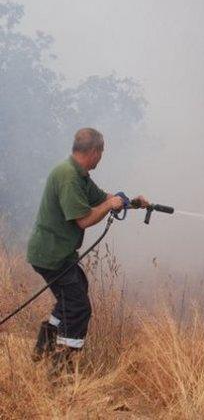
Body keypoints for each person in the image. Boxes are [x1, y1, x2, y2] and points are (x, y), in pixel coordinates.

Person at [26, 127, 148, 370]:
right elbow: (83, 219)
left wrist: (131, 202)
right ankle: (62, 369)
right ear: (94, 151)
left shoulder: (79, 174)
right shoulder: (68, 177)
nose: (101, 158)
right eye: (101, 152)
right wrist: (109, 205)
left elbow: (102, 198)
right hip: (51, 255)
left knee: (73, 293)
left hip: (59, 254)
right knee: (79, 307)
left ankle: (43, 348)